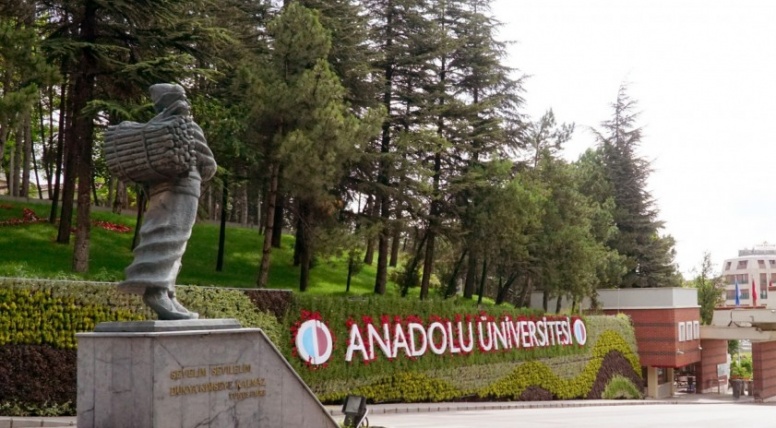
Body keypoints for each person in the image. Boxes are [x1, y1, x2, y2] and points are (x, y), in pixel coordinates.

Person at [116, 83, 216, 320]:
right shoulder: (187, 126)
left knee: (159, 235)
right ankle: (157, 293)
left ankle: (167, 293)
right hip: (185, 189)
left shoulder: (153, 128)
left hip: (157, 191)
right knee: (174, 240)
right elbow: (209, 164)